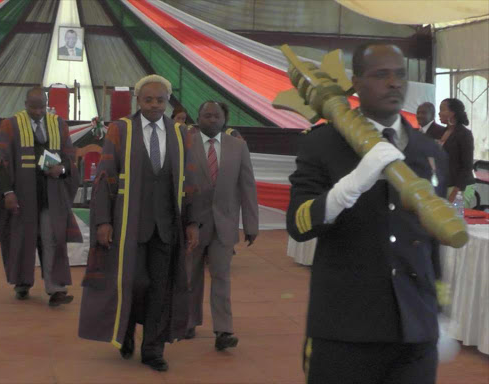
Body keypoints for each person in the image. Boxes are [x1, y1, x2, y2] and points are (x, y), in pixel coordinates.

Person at [287, 44, 448, 384]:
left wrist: (440, 311)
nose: (394, 83)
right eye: (381, 75)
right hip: (346, 328)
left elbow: (432, 242)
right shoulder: (323, 144)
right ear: (356, 82)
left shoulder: (428, 151)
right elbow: (298, 223)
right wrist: (349, 187)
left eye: (400, 74)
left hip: (414, 329)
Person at [78, 75, 200, 372]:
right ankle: (127, 331)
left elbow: (192, 181)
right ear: (138, 101)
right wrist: (103, 221)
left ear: (167, 102)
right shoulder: (121, 130)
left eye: (160, 100)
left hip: (167, 226)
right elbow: (105, 176)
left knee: (162, 287)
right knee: (133, 282)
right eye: (149, 99)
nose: (155, 104)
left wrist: (193, 222)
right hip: (128, 224)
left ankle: (153, 349)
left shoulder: (181, 133)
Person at [0, 87, 82, 306]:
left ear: (46, 104)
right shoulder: (10, 124)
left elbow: (69, 157)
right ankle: (22, 283)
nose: (37, 111)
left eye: (41, 106)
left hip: (51, 194)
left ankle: (56, 289)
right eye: (33, 107)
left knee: (52, 238)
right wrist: (7, 192)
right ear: (25, 104)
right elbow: (2, 161)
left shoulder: (59, 124)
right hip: (22, 194)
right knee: (21, 240)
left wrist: (62, 170)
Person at [185, 101, 258, 350]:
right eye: (207, 115)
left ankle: (223, 330)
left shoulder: (238, 147)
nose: (212, 120)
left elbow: (248, 186)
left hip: (224, 225)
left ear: (224, 119)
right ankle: (188, 322)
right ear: (198, 117)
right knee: (190, 277)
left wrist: (251, 224)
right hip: (191, 225)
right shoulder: (185, 142)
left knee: (221, 277)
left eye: (217, 116)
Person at [438, 98, 475, 203]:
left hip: (460, 186)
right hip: (446, 184)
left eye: (442, 109)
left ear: (452, 113)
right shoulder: (442, 132)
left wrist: (456, 192)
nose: (439, 113)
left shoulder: (464, 134)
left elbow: (467, 166)